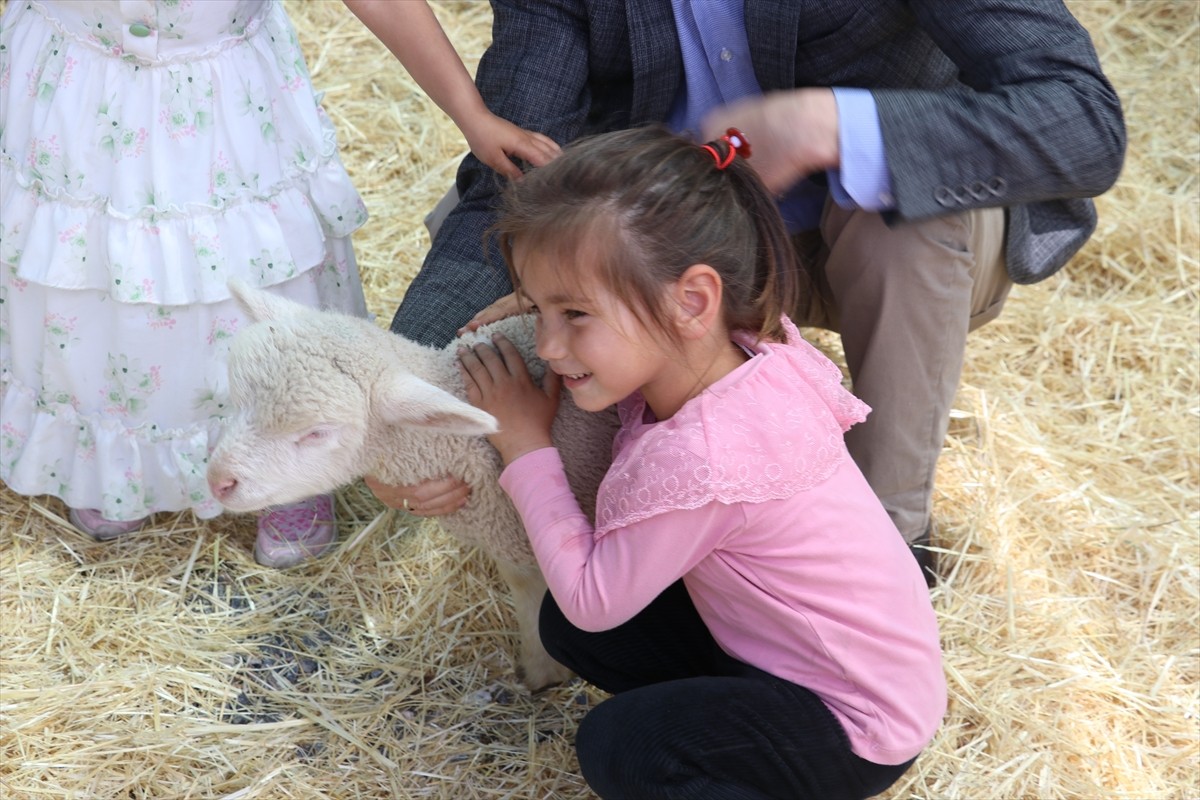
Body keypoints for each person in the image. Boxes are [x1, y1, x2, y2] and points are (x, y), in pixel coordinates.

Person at [379, 0, 1127, 579]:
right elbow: (512, 181)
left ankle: (890, 545)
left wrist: (831, 123)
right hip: (674, 263)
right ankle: (669, 539)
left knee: (902, 213)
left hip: (884, 243)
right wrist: (401, 396)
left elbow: (1084, 124)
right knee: (567, 281)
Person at [455, 125, 946, 799]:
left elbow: (597, 599)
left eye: (574, 314)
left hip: (851, 721)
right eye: (538, 308)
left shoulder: (706, 457)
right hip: (809, 656)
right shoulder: (739, 352)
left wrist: (524, 445)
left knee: (625, 747)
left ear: (692, 300)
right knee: (566, 626)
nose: (548, 343)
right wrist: (566, 301)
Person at [0, 0, 556, 567]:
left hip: (221, 106)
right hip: (75, 91)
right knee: (90, 273)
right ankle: (121, 461)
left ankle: (291, 463)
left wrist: (471, 115)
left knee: (251, 278)